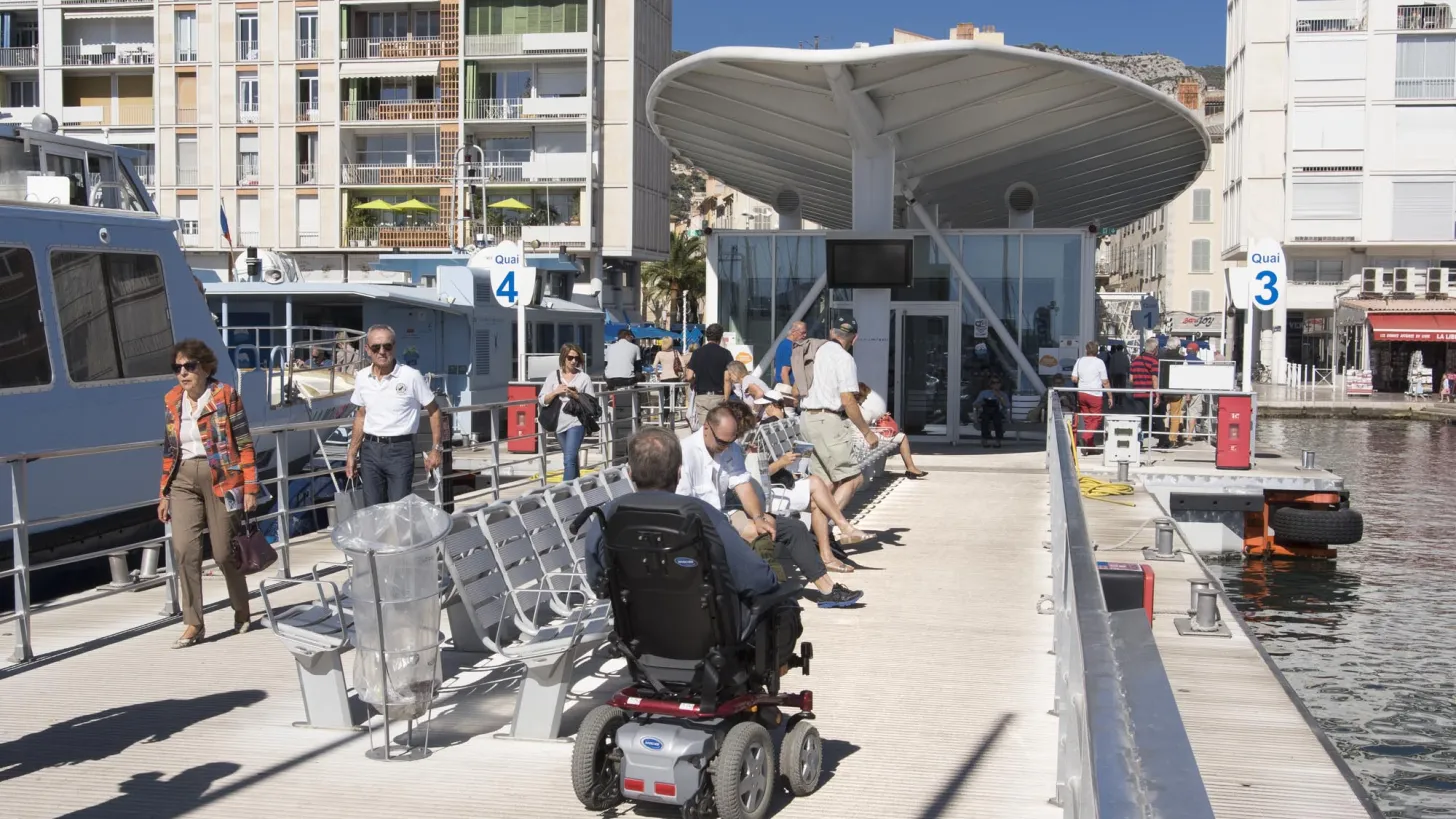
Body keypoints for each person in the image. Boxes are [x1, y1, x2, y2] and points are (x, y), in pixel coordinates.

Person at [678, 404, 863, 607]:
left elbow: (743, 486)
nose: (725, 447)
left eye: (730, 442)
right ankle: (774, 597)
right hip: (703, 523)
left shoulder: (731, 448)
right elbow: (684, 505)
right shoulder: (685, 453)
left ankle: (827, 590)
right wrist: (742, 525)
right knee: (760, 536)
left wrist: (759, 517)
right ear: (706, 428)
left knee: (793, 528)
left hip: (726, 514)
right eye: (722, 442)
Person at [582, 428, 779, 608]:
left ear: (630, 473)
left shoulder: (610, 513)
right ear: (678, 473)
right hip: (706, 631)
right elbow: (757, 580)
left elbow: (599, 582)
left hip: (637, 630)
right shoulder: (702, 513)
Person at [157, 339, 256, 648]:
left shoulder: (225, 395)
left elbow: (245, 442)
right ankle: (193, 623)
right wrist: (163, 492)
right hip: (183, 479)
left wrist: (250, 487)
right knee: (185, 550)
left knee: (225, 552)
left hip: (223, 478)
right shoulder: (172, 400)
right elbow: (169, 448)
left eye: (190, 366)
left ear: (205, 367)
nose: (183, 373)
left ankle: (241, 610)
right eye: (178, 368)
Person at [797, 315, 880, 562]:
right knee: (853, 477)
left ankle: (824, 554)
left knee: (824, 489)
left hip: (807, 419)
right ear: (854, 338)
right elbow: (848, 400)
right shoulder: (844, 358)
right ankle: (843, 526)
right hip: (827, 421)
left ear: (832, 332)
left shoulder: (816, 350)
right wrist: (867, 431)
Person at [345, 325, 443, 506]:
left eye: (387, 346)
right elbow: (361, 415)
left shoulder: (411, 376)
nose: (382, 352)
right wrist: (352, 454)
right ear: (367, 350)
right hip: (370, 451)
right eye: (376, 347)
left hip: (400, 450)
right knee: (373, 510)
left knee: (399, 510)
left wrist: (436, 449)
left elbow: (434, 411)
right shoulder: (361, 377)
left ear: (394, 347)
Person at [539, 342, 596, 481]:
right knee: (571, 458)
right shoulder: (553, 376)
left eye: (577, 358)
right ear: (563, 357)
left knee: (569, 459)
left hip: (576, 421)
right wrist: (555, 392)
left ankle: (566, 493)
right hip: (559, 422)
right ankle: (576, 490)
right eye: (570, 358)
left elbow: (592, 403)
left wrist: (576, 395)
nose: (574, 361)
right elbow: (542, 400)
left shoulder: (584, 378)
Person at [854, 384, 927, 476]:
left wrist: (879, 417)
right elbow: (865, 418)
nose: (866, 399)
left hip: (862, 436)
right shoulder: (854, 408)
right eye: (865, 396)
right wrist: (878, 417)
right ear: (859, 396)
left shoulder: (856, 407)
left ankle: (910, 468)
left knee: (900, 436)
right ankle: (911, 468)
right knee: (902, 437)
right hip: (862, 438)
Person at [684, 323, 734, 427]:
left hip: (701, 396)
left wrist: (695, 381)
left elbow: (689, 376)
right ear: (720, 337)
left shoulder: (697, 353)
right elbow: (727, 379)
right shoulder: (726, 354)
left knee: (705, 429)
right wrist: (726, 398)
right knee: (718, 427)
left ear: (707, 337)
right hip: (718, 396)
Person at [1070, 341, 1110, 447]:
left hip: (1082, 393)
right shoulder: (1099, 362)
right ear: (1097, 351)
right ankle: (1085, 437)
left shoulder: (1079, 361)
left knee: (1088, 420)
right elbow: (1105, 381)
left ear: (1086, 350)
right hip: (1095, 394)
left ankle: (1089, 446)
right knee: (1097, 418)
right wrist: (1110, 396)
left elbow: (1074, 378)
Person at [1128, 337, 1163, 445]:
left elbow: (1131, 379)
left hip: (1137, 393)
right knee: (1156, 417)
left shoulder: (1136, 360)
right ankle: (1164, 441)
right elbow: (1154, 379)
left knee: (1140, 419)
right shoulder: (1153, 361)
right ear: (1155, 348)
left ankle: (1139, 440)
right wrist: (1157, 395)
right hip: (1149, 394)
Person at [1159, 336, 1188, 447]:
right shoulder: (1182, 359)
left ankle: (1162, 437)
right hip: (1176, 391)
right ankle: (1172, 439)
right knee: (1175, 415)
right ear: (1178, 346)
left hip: (1163, 390)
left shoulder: (1161, 357)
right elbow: (1185, 376)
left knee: (1162, 414)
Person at [973, 375, 1011, 448]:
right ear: (990, 384)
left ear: (1000, 384)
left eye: (998, 382)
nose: (996, 384)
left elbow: (1007, 406)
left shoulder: (1003, 394)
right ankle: (985, 440)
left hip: (997, 411)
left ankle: (998, 441)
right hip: (986, 411)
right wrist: (981, 403)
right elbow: (975, 404)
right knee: (985, 420)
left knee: (997, 421)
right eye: (993, 383)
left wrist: (999, 397)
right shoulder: (984, 393)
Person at [776, 321, 807, 388]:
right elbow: (784, 373)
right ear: (793, 332)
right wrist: (789, 393)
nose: (805, 335)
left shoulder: (788, 344)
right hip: (787, 386)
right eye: (802, 333)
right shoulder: (787, 346)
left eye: (805, 332)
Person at [1107, 342, 1131, 412]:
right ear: (1122, 349)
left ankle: (1116, 400)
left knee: (1115, 387)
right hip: (1122, 374)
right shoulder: (1125, 355)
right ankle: (1120, 401)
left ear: (1117, 349)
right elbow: (1128, 365)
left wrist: (1110, 373)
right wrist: (1128, 374)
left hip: (1115, 374)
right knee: (1122, 387)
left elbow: (1111, 365)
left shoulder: (1114, 356)